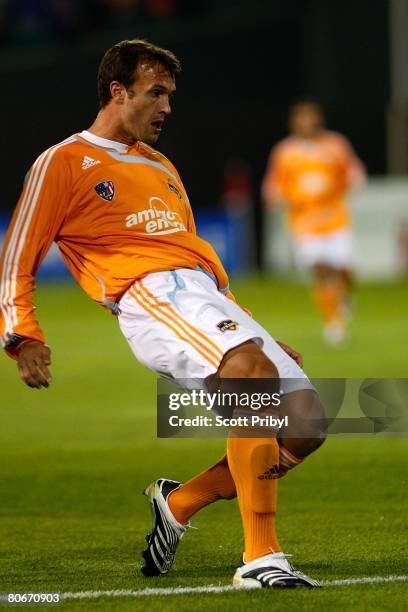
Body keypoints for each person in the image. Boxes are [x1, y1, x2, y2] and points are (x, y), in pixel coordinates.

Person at [0, 40, 326, 589]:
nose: (167, 107)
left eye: (170, 95)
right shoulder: (63, 160)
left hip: (202, 295)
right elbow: (17, 257)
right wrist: (20, 332)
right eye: (157, 93)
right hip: (148, 296)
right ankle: (261, 557)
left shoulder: (162, 166)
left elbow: (192, 255)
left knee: (307, 423)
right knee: (250, 376)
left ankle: (180, 501)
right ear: (117, 91)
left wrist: (255, 331)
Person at [262, 101, 366, 344]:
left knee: (343, 269)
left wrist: (353, 180)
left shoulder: (335, 144)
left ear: (318, 120)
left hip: (335, 218)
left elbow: (352, 170)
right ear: (294, 122)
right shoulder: (285, 151)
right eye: (301, 119)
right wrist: (273, 196)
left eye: (310, 118)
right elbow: (274, 182)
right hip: (304, 221)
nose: (306, 123)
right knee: (319, 268)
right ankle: (333, 323)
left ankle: (345, 294)